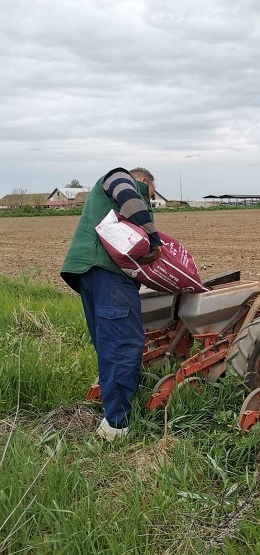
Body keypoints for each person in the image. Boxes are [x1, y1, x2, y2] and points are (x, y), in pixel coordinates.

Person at [61, 167, 163, 441]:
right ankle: (116, 428)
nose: (148, 202)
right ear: (143, 181)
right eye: (150, 195)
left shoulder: (104, 196)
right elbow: (130, 198)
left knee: (108, 344)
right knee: (122, 344)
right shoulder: (120, 177)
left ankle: (112, 409)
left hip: (89, 273)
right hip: (109, 275)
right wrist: (154, 239)